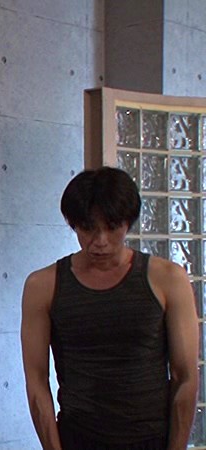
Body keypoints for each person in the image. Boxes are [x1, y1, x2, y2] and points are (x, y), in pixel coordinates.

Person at [21, 167, 198, 450]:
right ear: (74, 225)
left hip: (150, 438)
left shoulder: (168, 279)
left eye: (112, 227)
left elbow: (185, 376)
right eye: (88, 228)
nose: (100, 241)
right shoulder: (43, 286)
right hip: (79, 437)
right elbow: (37, 382)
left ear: (127, 223)